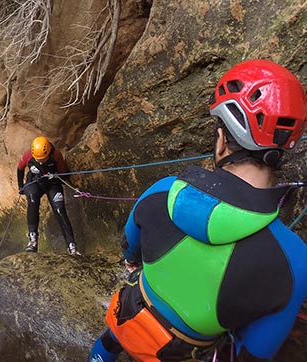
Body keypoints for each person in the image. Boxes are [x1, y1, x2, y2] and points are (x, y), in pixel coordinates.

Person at [89, 59, 307, 362]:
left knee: (111, 338)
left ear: (221, 141)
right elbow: (253, 354)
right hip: (185, 351)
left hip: (132, 312)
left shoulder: (163, 191)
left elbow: (130, 247)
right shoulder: (294, 260)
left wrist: (135, 262)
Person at [17, 136, 79, 255]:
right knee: (33, 201)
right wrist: (21, 187)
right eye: (38, 159)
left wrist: (55, 176)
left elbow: (62, 174)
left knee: (60, 210)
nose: (40, 162)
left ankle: (72, 246)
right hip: (35, 182)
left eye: (43, 159)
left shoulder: (56, 155)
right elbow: (20, 169)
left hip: (52, 183)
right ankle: (33, 240)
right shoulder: (28, 155)